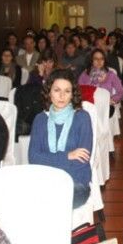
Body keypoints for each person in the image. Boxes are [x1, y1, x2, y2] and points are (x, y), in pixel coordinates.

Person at [28, 69, 93, 209]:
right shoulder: (40, 119)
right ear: (49, 92)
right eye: (57, 90)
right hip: (45, 181)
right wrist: (68, 156)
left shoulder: (82, 117)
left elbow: (82, 161)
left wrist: (48, 160)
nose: (62, 96)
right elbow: (33, 158)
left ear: (72, 94)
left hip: (76, 183)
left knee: (52, 204)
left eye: (67, 91)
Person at [77, 48, 123, 117]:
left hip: (105, 105)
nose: (99, 61)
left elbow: (121, 92)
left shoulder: (110, 74)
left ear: (104, 60)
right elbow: (79, 90)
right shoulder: (85, 74)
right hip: (89, 104)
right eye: (96, 59)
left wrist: (112, 99)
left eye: (102, 59)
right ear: (91, 61)